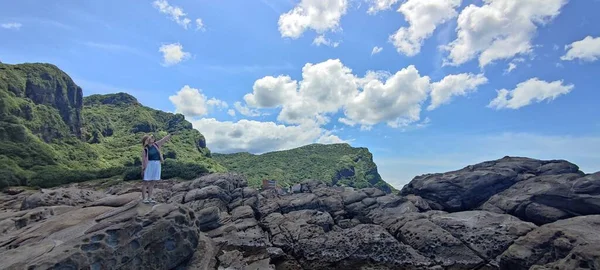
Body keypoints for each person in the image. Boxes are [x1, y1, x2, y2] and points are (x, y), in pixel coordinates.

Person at [140, 132, 174, 204]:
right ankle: (144, 199)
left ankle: (149, 198)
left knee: (153, 182)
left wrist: (170, 134)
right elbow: (143, 161)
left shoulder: (156, 145)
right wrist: (143, 169)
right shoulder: (145, 149)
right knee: (145, 182)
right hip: (149, 165)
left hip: (157, 163)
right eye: (150, 138)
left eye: (152, 138)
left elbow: (163, 139)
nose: (152, 139)